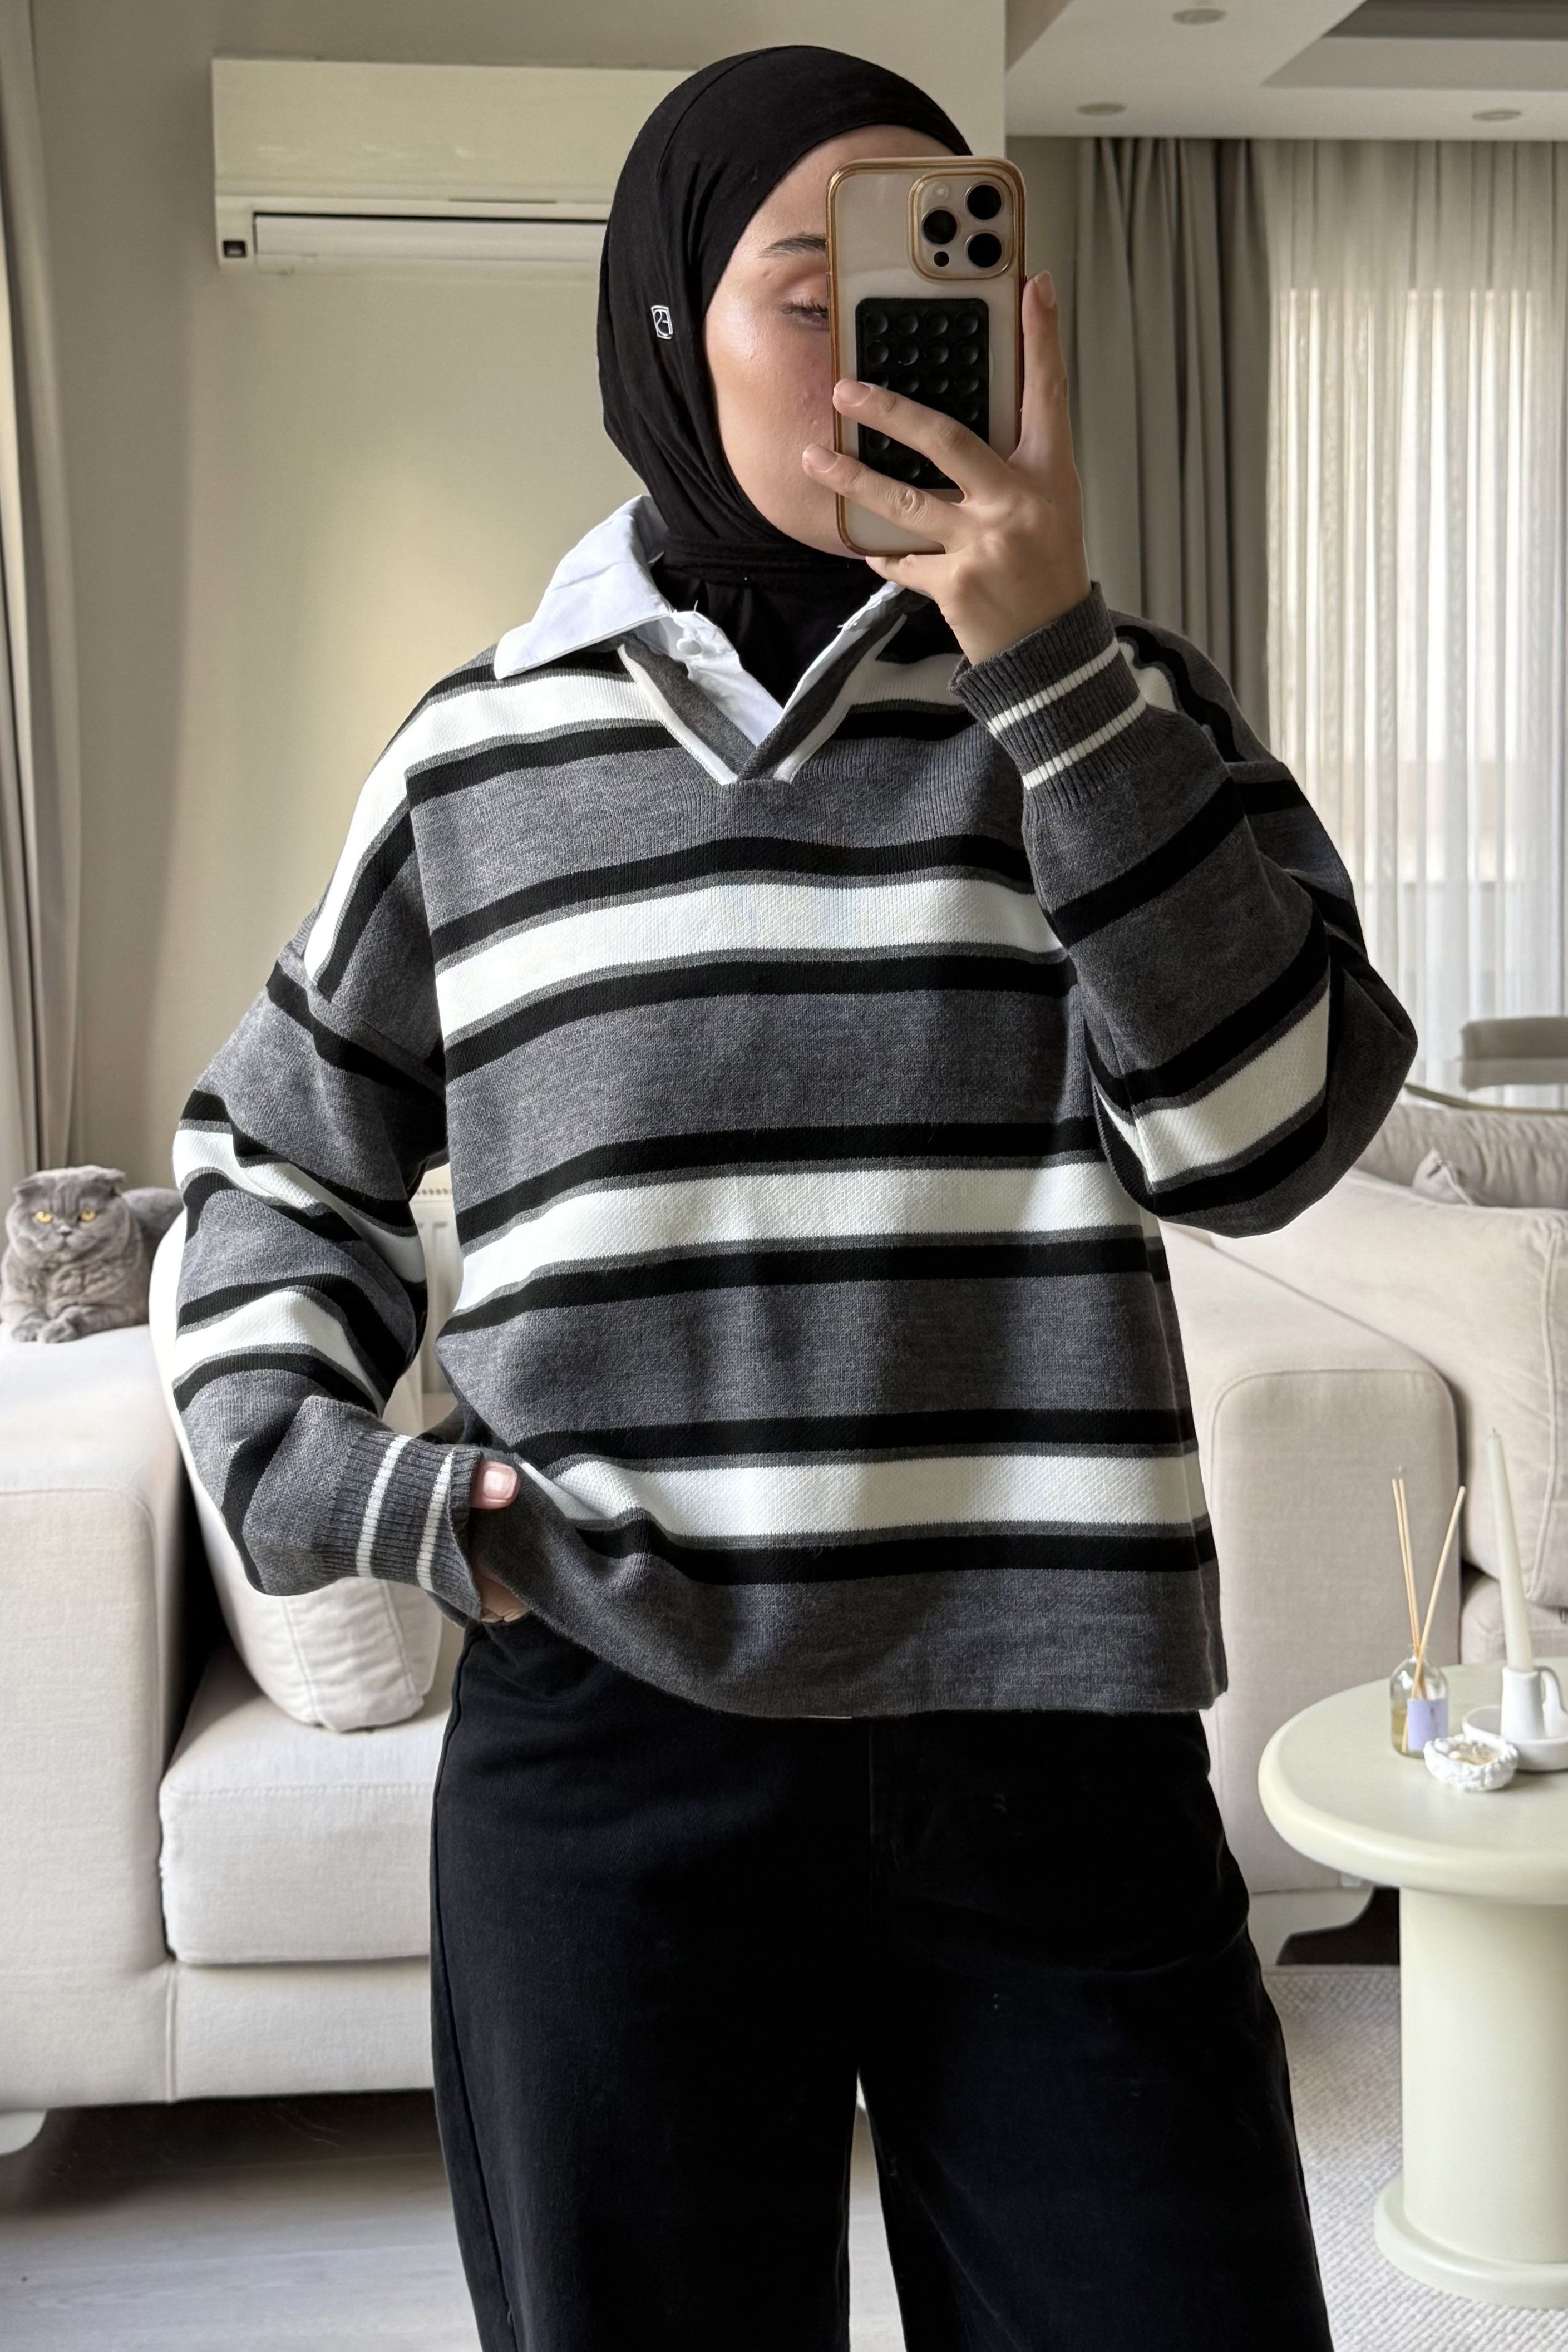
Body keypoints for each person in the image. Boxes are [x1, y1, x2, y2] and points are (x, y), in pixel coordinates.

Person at [171, 45, 1416, 2352]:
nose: (882, 352)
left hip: (1054, 1744)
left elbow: (1264, 1144)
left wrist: (1046, 663)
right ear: (669, 327)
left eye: (938, 274)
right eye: (809, 286)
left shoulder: (1123, 705)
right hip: (615, 1740)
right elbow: (269, 1162)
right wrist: (364, 1491)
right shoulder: (479, 752)